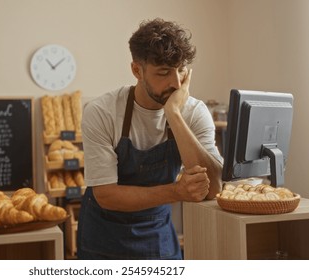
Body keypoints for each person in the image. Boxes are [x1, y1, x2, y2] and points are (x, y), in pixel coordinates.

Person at [76, 18, 223, 260]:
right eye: (164, 73)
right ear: (137, 70)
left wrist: (174, 114)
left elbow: (213, 187)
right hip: (103, 240)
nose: (176, 84)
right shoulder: (102, 112)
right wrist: (177, 191)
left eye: (181, 70)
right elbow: (106, 195)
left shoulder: (193, 112)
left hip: (158, 236)